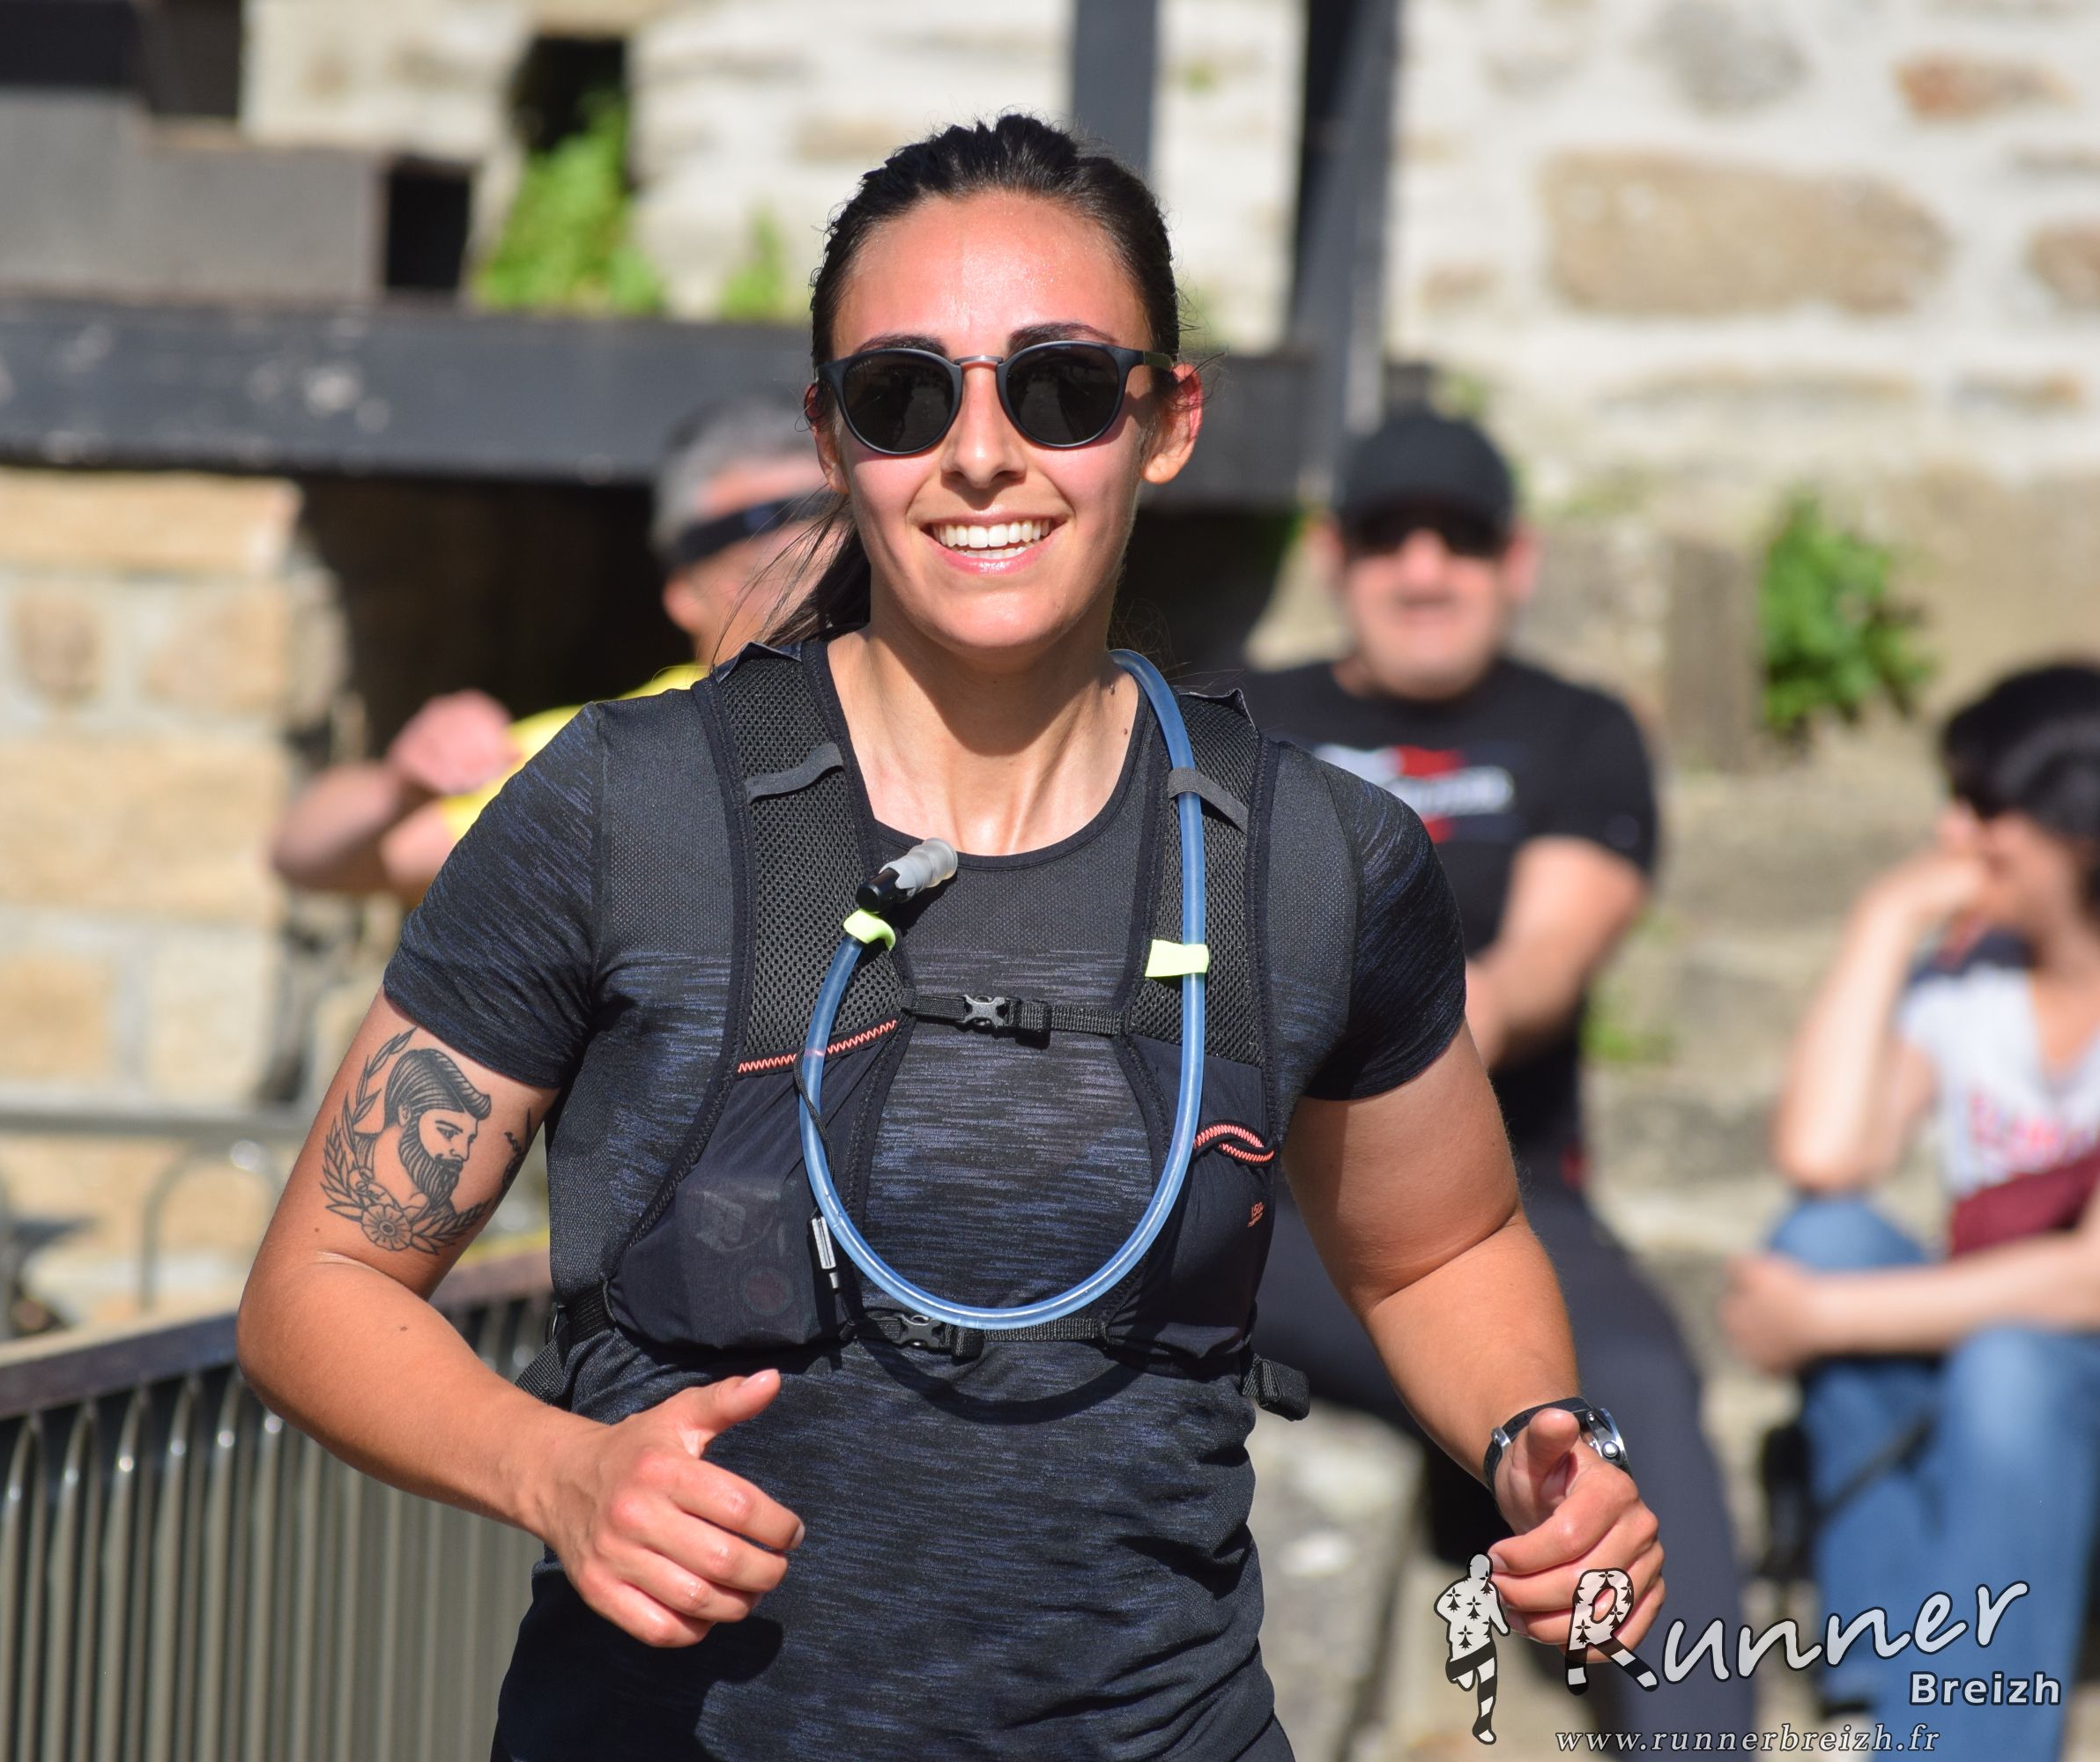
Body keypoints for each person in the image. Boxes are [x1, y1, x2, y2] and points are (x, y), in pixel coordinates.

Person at [237, 116, 1666, 1759]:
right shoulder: (622, 808)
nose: (981, 453)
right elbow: (319, 1284)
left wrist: (1536, 1439)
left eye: (1060, 387)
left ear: (1167, 421)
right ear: (832, 437)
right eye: (905, 396)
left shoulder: (1316, 861)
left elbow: (1439, 1249)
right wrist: (553, 1470)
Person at [1243, 409, 1755, 1743]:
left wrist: (1348, 1008)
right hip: (1256, 1192)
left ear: (1515, 560)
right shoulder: (1239, 719)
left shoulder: (1574, 731)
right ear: (1333, 555)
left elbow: (1533, 975)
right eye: (1387, 536)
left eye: (1460, 538)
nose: (1424, 569)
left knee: (1633, 1382)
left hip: (1494, 1194)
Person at [1729, 663, 2100, 1758]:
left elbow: (2089, 1279)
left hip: (2052, 1373)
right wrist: (1881, 922)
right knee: (1823, 1238)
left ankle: (1963, 1740)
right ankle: (1887, 1676)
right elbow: (1823, 1155)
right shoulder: (1970, 981)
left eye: (1983, 806)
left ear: (2076, 824)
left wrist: (1825, 1318)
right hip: (1997, 1366)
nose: (1952, 833)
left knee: (2009, 1363)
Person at [268, 395, 828, 901]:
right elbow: (309, 857)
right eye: (762, 533)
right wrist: (401, 787)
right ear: (684, 593)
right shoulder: (608, 753)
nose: (810, 553)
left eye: (832, 519)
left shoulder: (888, 712)